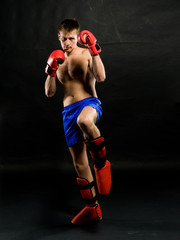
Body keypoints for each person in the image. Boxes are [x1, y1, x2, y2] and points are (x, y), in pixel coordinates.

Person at [44, 18, 111, 225]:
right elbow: (49, 93)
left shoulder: (85, 53)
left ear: (78, 36)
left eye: (71, 39)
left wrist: (93, 48)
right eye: (64, 39)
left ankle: (101, 163)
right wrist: (51, 70)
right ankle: (92, 208)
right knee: (80, 163)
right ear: (59, 37)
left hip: (89, 104)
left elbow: (100, 78)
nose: (67, 44)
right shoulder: (58, 59)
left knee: (85, 121)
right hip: (68, 112)